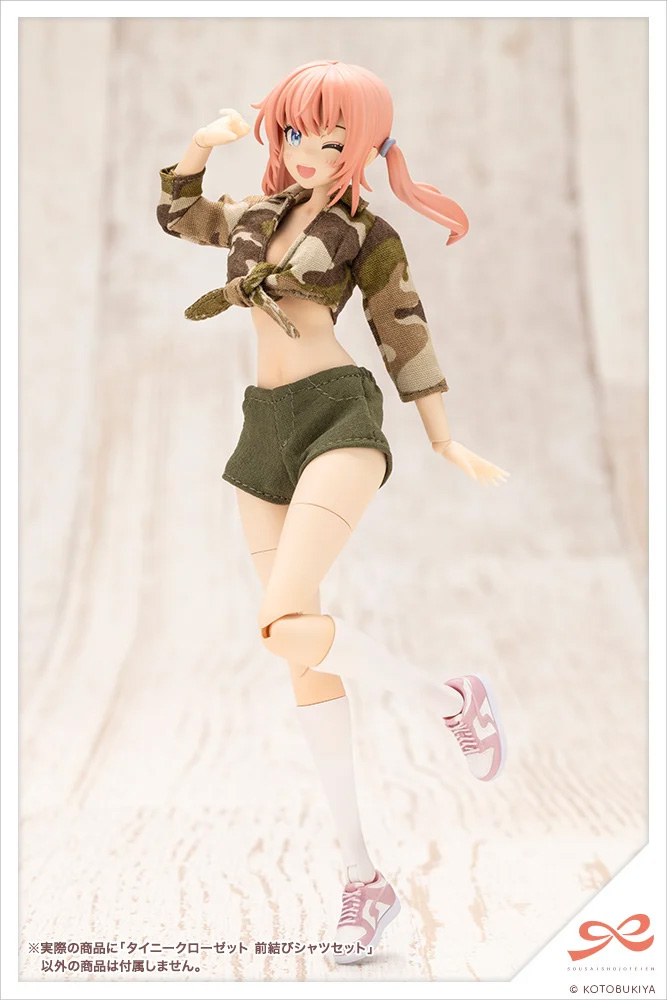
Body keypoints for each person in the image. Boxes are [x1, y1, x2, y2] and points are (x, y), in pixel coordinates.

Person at [157, 59, 509, 966]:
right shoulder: (256, 214)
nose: (310, 150)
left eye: (333, 137)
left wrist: (441, 438)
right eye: (295, 132)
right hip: (263, 430)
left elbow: (403, 329)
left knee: (280, 622)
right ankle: (363, 875)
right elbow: (180, 215)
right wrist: (198, 146)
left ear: (366, 145)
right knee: (295, 650)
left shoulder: (369, 234)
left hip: (337, 417)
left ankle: (446, 701)